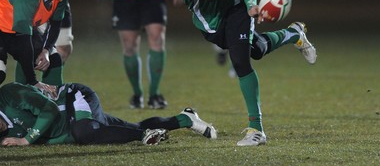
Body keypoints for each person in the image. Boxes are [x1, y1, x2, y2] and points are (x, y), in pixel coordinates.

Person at [170, 0, 317, 146]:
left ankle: (256, 130)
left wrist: (250, 3)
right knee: (255, 49)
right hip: (211, 25)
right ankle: (293, 34)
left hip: (238, 8)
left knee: (240, 60)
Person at [0, 81, 217, 146]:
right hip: (73, 122)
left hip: (74, 97)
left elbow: (49, 109)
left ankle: (143, 137)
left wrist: (26, 141)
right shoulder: (4, 137)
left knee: (84, 132)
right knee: (128, 127)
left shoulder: (9, 94)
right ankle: (184, 119)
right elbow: (54, 138)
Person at [0, 0, 73, 97]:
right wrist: (34, 81)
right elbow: (23, 39)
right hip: (5, 29)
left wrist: (46, 50)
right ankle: (18, 105)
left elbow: (56, 23)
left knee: (52, 59)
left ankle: (55, 111)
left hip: (14, 30)